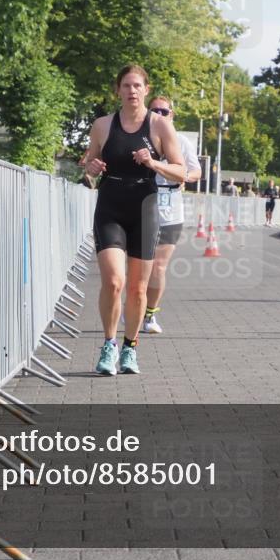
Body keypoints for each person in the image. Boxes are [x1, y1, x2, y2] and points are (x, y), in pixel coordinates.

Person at [84, 64, 185, 374]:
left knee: (138, 289)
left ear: (146, 89)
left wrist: (153, 162)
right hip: (110, 205)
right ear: (118, 90)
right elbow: (88, 164)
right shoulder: (102, 125)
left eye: (137, 86)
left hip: (145, 207)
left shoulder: (159, 126)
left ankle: (130, 348)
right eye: (126, 86)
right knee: (114, 282)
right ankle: (108, 345)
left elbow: (180, 171)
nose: (132, 91)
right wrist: (92, 167)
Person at [143, 96, 201, 335]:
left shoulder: (182, 141)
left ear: (171, 114)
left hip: (171, 209)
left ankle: (149, 315)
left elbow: (197, 170)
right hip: (143, 204)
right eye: (155, 110)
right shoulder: (142, 138)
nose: (160, 114)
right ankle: (134, 305)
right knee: (137, 267)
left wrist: (186, 176)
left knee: (158, 267)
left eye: (164, 111)